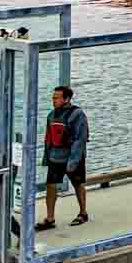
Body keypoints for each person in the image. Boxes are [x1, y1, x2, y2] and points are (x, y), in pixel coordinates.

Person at [35, 87, 88, 231]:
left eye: (57, 98)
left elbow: (80, 139)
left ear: (67, 99)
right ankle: (50, 218)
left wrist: (73, 161)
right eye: (53, 98)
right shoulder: (51, 115)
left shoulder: (78, 115)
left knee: (78, 184)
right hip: (55, 158)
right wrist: (47, 158)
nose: (54, 101)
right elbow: (48, 139)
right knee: (51, 186)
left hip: (72, 157)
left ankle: (83, 213)